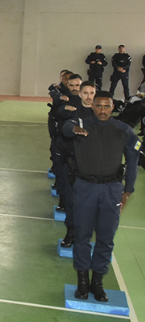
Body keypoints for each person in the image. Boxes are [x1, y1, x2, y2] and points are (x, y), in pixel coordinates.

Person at [63, 91, 139, 302]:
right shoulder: (81, 125)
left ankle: (97, 282)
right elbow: (66, 128)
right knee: (82, 236)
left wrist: (128, 189)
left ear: (112, 107)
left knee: (106, 238)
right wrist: (75, 128)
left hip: (111, 189)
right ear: (92, 106)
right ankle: (82, 282)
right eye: (99, 106)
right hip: (85, 188)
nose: (103, 110)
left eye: (107, 106)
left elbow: (132, 159)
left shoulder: (123, 130)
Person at [56, 80, 97, 248]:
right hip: (73, 164)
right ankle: (70, 233)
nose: (89, 97)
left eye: (92, 93)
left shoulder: (100, 113)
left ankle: (84, 236)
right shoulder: (73, 109)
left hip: (94, 166)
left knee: (90, 204)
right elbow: (61, 114)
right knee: (72, 202)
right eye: (85, 93)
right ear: (80, 94)